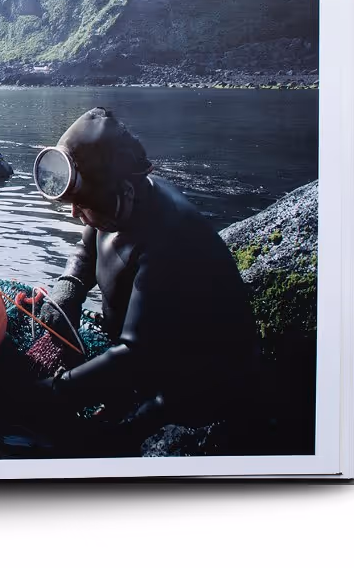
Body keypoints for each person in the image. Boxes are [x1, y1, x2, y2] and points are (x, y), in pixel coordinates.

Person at [31, 107, 260, 448]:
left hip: (196, 384)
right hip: (143, 355)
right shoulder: (121, 204)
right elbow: (88, 248)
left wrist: (54, 392)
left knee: (104, 441)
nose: (76, 214)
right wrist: (71, 285)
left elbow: (136, 354)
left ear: (119, 192)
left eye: (82, 203)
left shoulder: (169, 238)